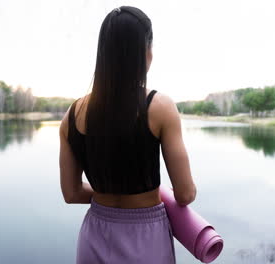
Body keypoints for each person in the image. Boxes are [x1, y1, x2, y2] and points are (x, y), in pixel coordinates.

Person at [59, 6, 196, 264]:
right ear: (146, 52)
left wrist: (108, 193)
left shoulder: (72, 115)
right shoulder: (160, 107)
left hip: (95, 236)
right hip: (146, 239)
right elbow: (185, 194)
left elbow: (71, 193)